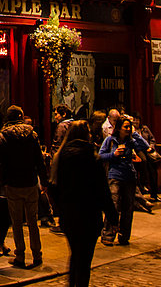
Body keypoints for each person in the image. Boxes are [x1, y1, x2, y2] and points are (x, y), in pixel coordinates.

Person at [54, 120, 113, 287]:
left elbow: (54, 187)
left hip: (69, 216)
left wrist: (61, 209)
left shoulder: (61, 156)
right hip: (89, 216)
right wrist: (112, 216)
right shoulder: (91, 157)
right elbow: (102, 190)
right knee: (84, 259)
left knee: (76, 255)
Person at [0, 105, 47, 269]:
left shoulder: (3, 136)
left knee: (16, 222)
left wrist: (2, 181)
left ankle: (20, 255)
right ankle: (37, 254)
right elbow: (40, 159)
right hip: (30, 181)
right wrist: (43, 180)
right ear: (21, 116)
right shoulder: (32, 134)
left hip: (13, 183)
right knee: (32, 220)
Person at [98, 115, 149, 246]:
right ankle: (108, 235)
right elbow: (100, 155)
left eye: (129, 127)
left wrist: (135, 134)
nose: (128, 129)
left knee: (128, 208)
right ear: (119, 128)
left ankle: (124, 236)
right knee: (113, 206)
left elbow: (146, 147)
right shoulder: (110, 140)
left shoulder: (131, 141)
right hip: (114, 176)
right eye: (125, 127)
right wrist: (113, 155)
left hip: (129, 177)